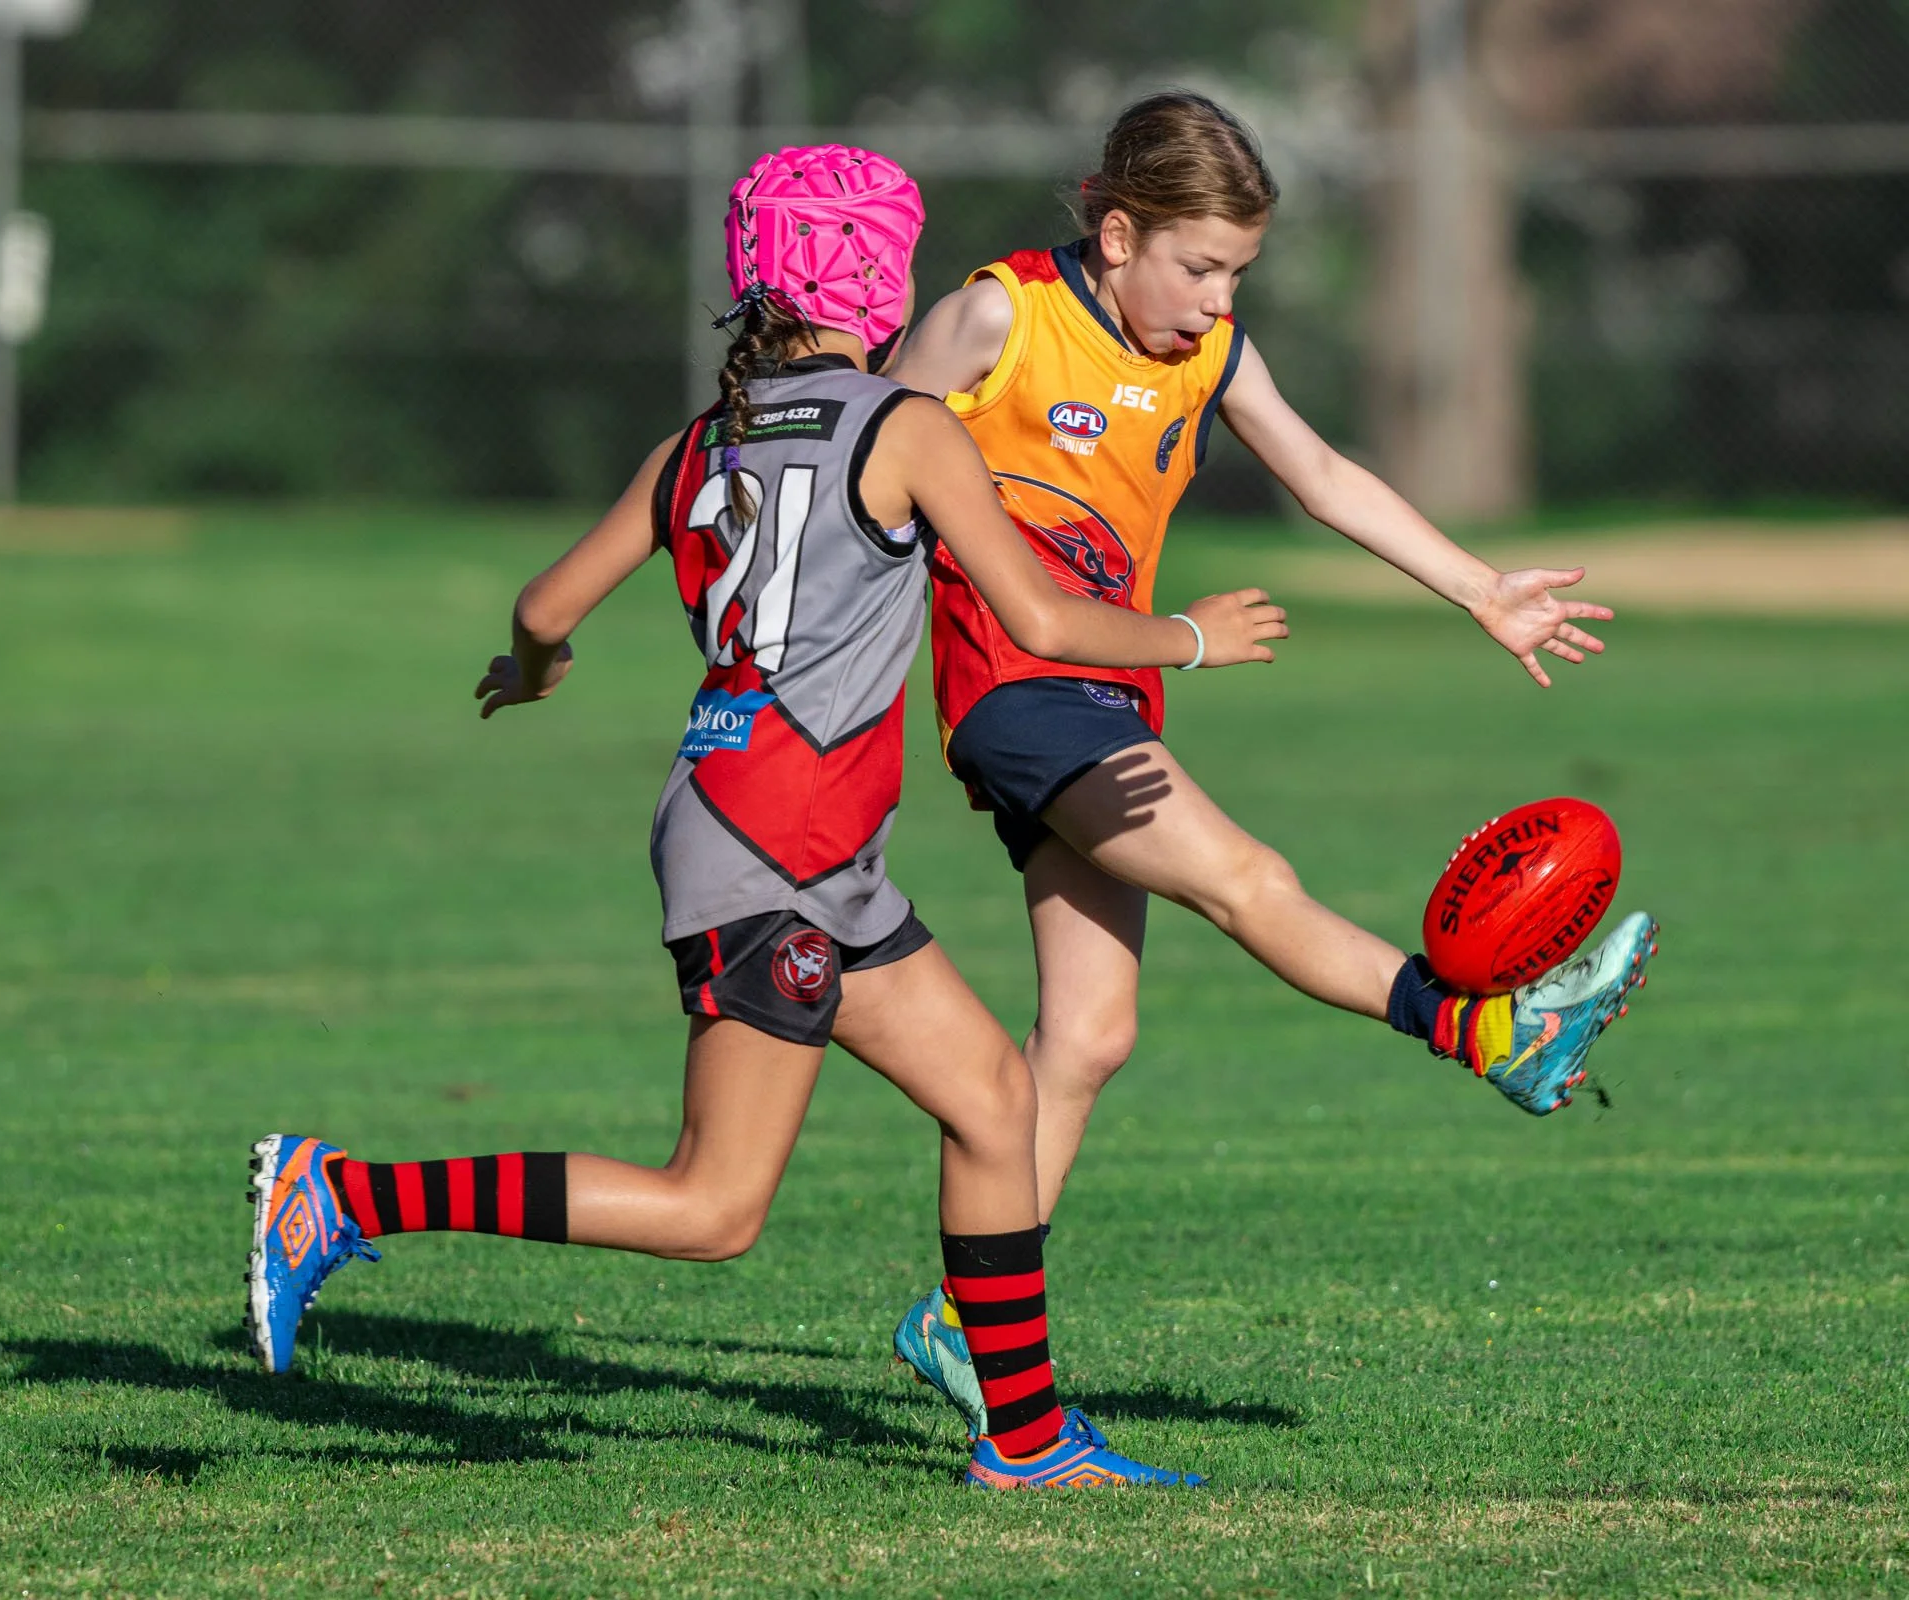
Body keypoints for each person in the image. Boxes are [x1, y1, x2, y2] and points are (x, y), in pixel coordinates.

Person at [244, 144, 1290, 1491]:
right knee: (714, 1207)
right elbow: (1038, 617)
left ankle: (1026, 1444)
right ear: (878, 274)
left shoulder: (702, 442)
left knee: (992, 1097)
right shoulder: (906, 424)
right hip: (773, 847)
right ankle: (342, 1197)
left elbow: (548, 607)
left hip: (769, 829)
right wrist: (1187, 637)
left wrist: (534, 674)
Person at [883, 92, 1659, 1437]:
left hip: (1106, 694)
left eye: (1238, 272)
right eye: (1196, 267)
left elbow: (1320, 470)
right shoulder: (997, 319)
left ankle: (964, 1323)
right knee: (1247, 877)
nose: (1215, 300)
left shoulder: (1210, 347)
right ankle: (1493, 1031)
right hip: (1017, 694)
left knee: (1089, 1034)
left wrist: (1480, 590)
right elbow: (855, 457)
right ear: (1116, 235)